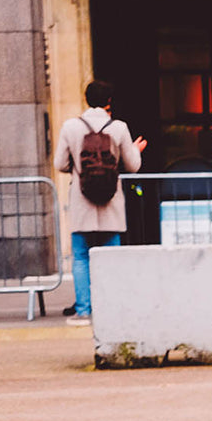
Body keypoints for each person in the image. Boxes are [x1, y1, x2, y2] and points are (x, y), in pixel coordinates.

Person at [53, 80, 145, 324]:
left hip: (82, 200)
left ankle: (84, 310)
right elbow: (133, 165)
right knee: (110, 256)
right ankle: (111, 307)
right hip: (110, 200)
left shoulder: (71, 126)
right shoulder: (119, 127)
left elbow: (60, 164)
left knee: (81, 257)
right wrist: (135, 150)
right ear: (109, 102)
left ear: (87, 99)